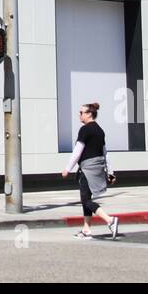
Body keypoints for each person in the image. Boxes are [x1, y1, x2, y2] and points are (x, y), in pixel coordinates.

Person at [61, 102, 120, 239]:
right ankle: (86, 230)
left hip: (88, 169)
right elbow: (105, 153)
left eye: (81, 112)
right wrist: (111, 172)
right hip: (98, 168)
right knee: (86, 198)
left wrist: (67, 169)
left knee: (86, 200)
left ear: (89, 114)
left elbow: (77, 151)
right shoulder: (100, 130)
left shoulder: (85, 130)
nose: (79, 115)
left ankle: (110, 220)